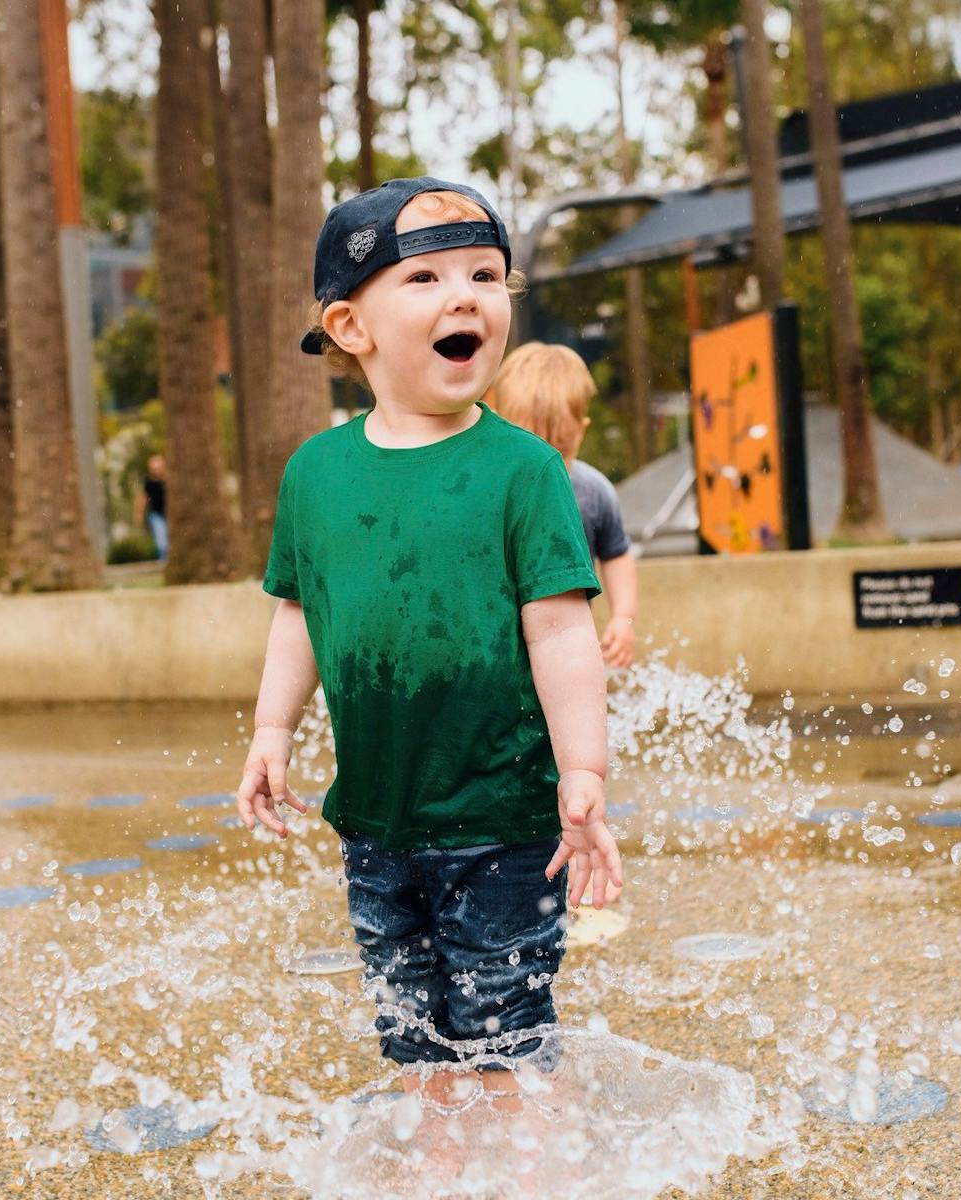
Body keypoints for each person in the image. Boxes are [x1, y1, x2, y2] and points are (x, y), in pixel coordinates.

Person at [235, 178, 624, 1118]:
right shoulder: (317, 474)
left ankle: (534, 1168)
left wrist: (585, 768)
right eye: (428, 279)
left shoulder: (524, 471)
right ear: (351, 326)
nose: (467, 297)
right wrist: (270, 731)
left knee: (504, 1033)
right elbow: (298, 612)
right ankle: (444, 1166)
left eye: (486, 275)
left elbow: (563, 625)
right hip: (375, 821)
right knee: (415, 1038)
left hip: (504, 817)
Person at [489, 342, 639, 668]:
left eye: (559, 454)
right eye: (531, 453)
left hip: (567, 640)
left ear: (581, 433)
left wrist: (623, 618)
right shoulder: (489, 489)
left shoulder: (593, 492)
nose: (545, 471)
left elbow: (617, 555)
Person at [134, 454, 168, 562]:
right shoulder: (149, 483)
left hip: (168, 514)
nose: (157, 470)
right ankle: (163, 560)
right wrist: (138, 513)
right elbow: (143, 498)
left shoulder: (167, 481)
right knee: (161, 540)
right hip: (156, 515)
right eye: (155, 468)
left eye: (159, 468)